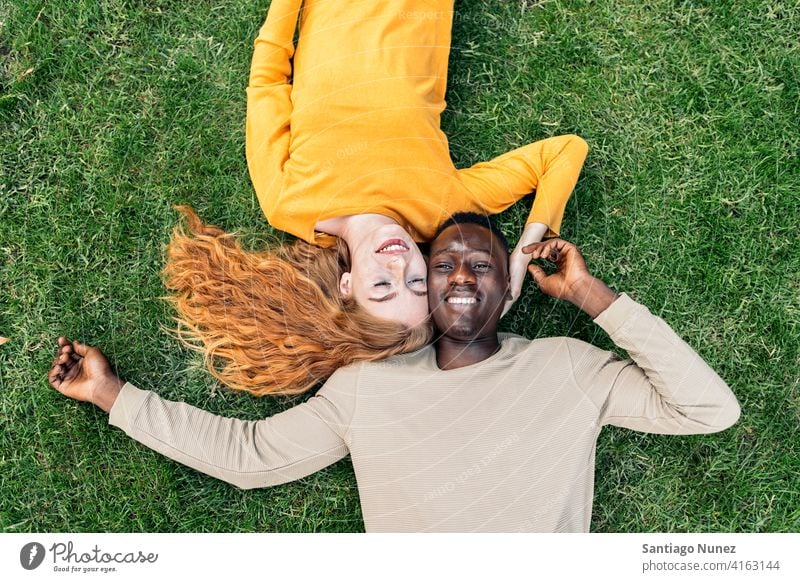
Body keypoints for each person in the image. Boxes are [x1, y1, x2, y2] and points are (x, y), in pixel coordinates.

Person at [49, 213, 740, 532]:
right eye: (442, 265)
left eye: (483, 266)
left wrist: (589, 295)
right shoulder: (364, 389)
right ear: (428, 296)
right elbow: (249, 456)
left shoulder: (569, 368)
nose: (462, 276)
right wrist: (111, 393)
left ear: (507, 290)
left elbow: (710, 410)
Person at [164, 0, 588, 395]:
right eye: (417, 280)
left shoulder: (289, 205)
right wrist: (521, 257)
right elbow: (564, 152)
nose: (399, 261)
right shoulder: (440, 209)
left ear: (347, 286)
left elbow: (268, 81)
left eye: (383, 285)